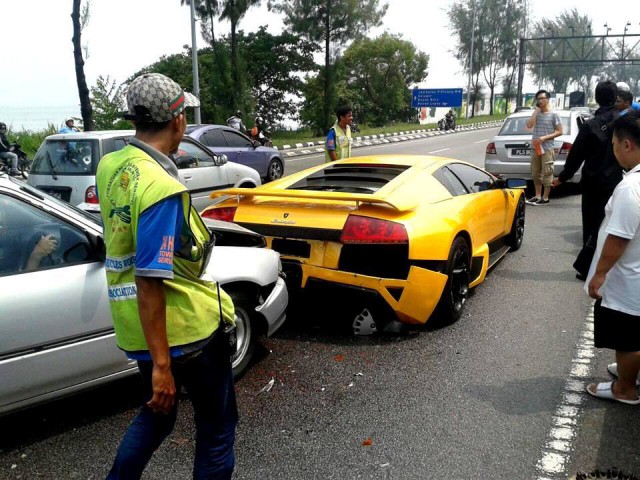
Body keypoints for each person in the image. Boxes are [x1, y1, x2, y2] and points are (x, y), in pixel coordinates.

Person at [96, 72, 238, 479]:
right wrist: (162, 365)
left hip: (137, 328)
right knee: (216, 430)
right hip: (182, 332)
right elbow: (149, 276)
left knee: (158, 416)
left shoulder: (111, 165)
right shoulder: (160, 186)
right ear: (177, 121)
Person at [585, 112, 640, 405]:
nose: (614, 149)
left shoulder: (631, 188)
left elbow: (619, 236)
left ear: (627, 145)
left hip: (630, 278)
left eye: (615, 143)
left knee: (626, 338)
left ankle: (626, 389)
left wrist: (600, 274)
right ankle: (632, 373)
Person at [552, 81, 622, 260]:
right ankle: (611, 263)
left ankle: (589, 263)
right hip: (618, 182)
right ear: (616, 98)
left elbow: (576, 155)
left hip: (593, 183)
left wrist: (562, 178)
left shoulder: (591, 126)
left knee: (591, 224)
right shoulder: (625, 122)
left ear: (597, 99)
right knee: (614, 224)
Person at [525, 90, 563, 205]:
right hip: (536, 147)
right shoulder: (537, 114)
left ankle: (545, 198)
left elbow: (560, 131)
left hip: (547, 148)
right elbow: (529, 125)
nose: (540, 101)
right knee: (535, 173)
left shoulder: (554, 115)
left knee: (547, 172)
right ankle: (537, 195)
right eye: (538, 99)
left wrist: (545, 137)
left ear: (547, 99)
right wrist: (536, 110)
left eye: (542, 98)